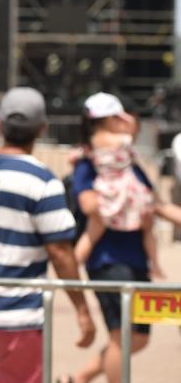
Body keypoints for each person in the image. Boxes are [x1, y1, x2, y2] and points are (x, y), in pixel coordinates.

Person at [0, 87, 96, 383]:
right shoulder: (43, 180)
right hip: (20, 311)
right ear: (42, 128)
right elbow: (60, 251)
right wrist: (82, 310)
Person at [57, 92, 160, 383]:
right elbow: (88, 206)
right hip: (108, 262)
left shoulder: (127, 160)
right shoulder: (87, 163)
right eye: (119, 118)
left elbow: (153, 202)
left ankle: (78, 380)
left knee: (139, 338)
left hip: (135, 260)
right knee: (122, 338)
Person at [72, 96, 162, 278]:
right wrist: (129, 119)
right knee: (147, 227)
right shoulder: (117, 140)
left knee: (91, 233)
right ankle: (156, 264)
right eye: (118, 117)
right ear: (109, 119)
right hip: (115, 190)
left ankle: (71, 268)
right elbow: (88, 205)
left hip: (109, 189)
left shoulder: (90, 144)